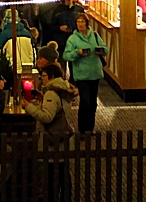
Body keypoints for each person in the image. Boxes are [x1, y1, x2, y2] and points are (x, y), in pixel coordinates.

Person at [25, 63, 79, 202]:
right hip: (63, 138)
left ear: (52, 77)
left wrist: (29, 107)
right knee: (63, 173)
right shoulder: (63, 89)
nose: (41, 78)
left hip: (53, 140)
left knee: (51, 175)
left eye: (43, 75)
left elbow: (47, 117)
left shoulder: (52, 93)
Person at [62, 13, 107, 133]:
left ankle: (90, 128)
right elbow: (66, 55)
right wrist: (78, 52)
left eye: (82, 22)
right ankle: (82, 129)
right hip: (81, 74)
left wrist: (100, 50)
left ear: (87, 23)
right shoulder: (73, 39)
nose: (80, 24)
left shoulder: (95, 36)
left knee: (93, 103)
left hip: (95, 73)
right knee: (85, 102)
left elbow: (105, 48)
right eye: (78, 22)